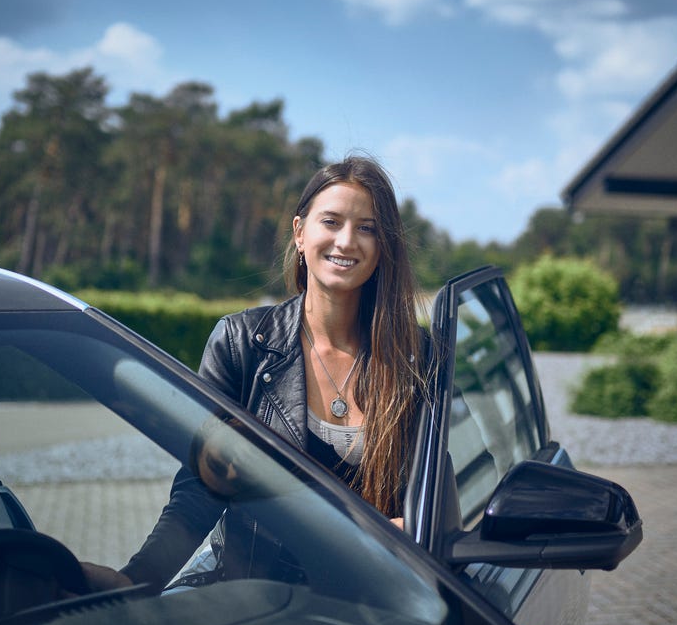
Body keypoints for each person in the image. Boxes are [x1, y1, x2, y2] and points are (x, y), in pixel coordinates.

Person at [88, 155, 429, 593]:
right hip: (257, 598)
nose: (347, 241)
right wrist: (136, 579)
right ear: (300, 233)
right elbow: (201, 488)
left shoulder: (417, 355)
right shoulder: (240, 343)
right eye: (331, 221)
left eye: (367, 228)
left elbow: (438, 497)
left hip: (380, 596)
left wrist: (416, 526)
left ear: (384, 247)